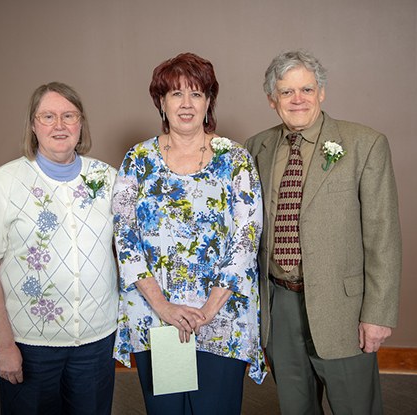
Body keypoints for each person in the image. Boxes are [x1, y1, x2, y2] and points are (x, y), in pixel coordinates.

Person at [245, 50, 402, 414]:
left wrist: (378, 314)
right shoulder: (257, 149)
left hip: (342, 308)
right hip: (279, 304)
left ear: (322, 92)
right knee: (296, 406)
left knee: (355, 408)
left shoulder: (364, 144)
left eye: (307, 89)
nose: (298, 99)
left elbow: (384, 237)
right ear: (272, 99)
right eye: (286, 92)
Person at [112, 52, 266, 415]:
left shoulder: (236, 159)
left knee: (214, 410)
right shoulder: (139, 160)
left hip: (222, 317)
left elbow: (247, 236)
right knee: (170, 412)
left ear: (209, 101)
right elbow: (125, 237)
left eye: (196, 94)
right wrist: (164, 307)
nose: (186, 104)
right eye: (176, 94)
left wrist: (210, 308)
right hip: (161, 317)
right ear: (161, 102)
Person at [0, 82, 119, 415]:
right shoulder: (5, 182)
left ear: (81, 123)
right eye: (47, 116)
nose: (59, 125)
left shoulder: (108, 178)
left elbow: (133, 252)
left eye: (69, 115)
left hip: (96, 341)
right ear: (33, 125)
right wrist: (5, 346)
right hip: (30, 345)